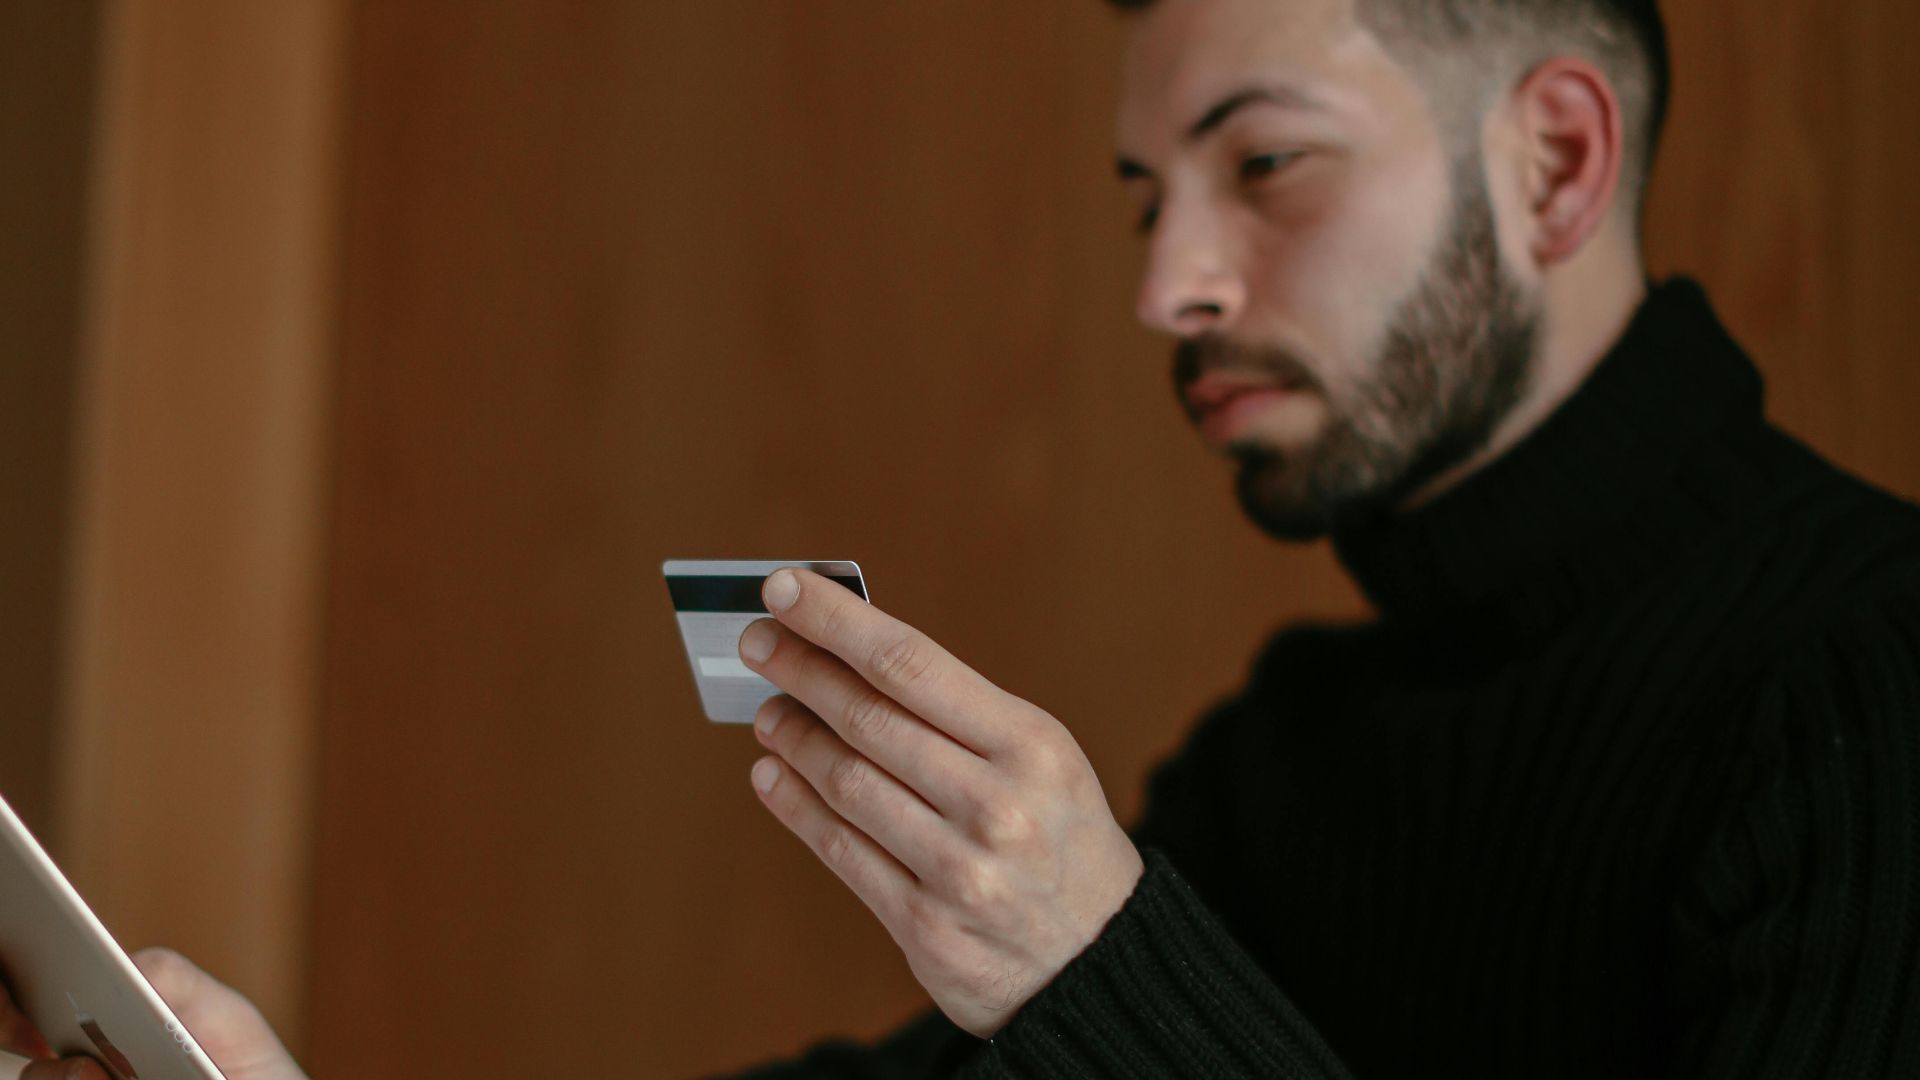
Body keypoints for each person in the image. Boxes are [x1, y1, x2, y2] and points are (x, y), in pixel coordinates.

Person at [7, 0, 1917, 1075]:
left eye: (1263, 165)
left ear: (1559, 161)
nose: (1169, 280)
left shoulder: (1872, 670)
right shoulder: (1298, 752)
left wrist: (1105, 967)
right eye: (1145, 196)